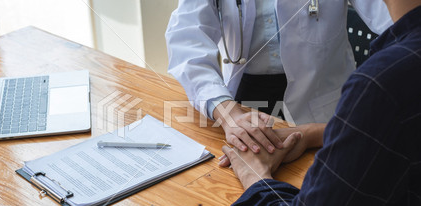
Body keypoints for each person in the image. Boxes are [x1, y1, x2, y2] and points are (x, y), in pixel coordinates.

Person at [220, 0, 421, 206]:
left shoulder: (381, 84)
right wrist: (313, 134)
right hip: (249, 100)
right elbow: (187, 39)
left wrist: (254, 177)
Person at [165, 0, 392, 156]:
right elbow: (187, 39)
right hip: (242, 104)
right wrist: (226, 111)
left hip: (323, 102)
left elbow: (399, 21)